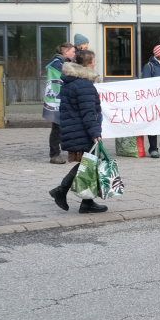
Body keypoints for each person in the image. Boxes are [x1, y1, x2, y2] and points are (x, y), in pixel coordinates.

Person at [48, 49, 108, 213]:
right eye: (94, 60)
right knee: (88, 163)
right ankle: (61, 191)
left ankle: (86, 202)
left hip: (74, 129)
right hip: (82, 131)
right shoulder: (84, 85)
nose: (95, 63)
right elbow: (89, 113)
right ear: (88, 63)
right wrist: (95, 133)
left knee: (89, 164)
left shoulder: (72, 81)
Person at [43, 42, 76, 164]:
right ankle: (54, 154)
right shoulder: (57, 64)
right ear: (65, 51)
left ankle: (63, 151)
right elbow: (64, 78)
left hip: (61, 99)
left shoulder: (63, 62)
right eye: (73, 51)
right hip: (57, 100)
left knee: (62, 127)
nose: (74, 54)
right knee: (57, 127)